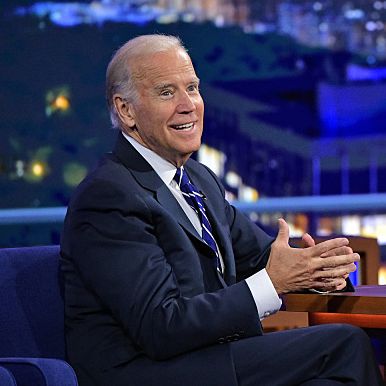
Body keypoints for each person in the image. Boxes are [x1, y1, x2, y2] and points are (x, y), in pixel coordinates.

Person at [60, 34, 383, 386]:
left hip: (207, 359)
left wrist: (315, 272)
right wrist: (275, 281)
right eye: (167, 92)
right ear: (126, 110)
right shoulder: (109, 196)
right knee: (343, 345)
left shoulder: (198, 179)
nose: (189, 105)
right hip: (146, 372)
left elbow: (264, 259)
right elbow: (161, 326)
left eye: (193, 88)